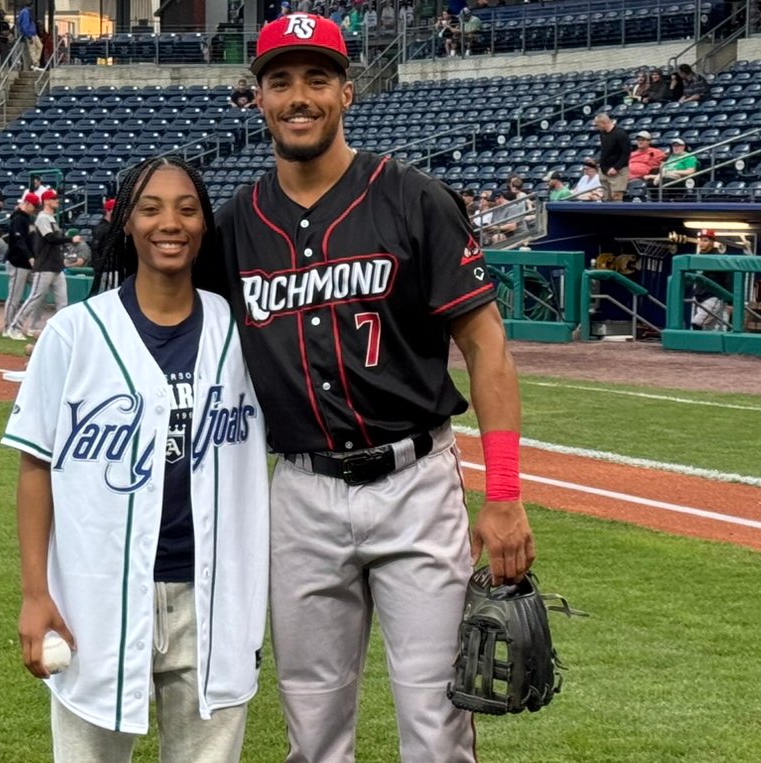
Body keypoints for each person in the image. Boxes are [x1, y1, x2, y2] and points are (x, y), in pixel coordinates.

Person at [191, 14, 535, 763]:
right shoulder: (234, 228)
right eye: (280, 81)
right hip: (301, 493)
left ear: (347, 91)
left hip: (414, 483)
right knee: (310, 727)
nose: (298, 96)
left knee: (436, 719)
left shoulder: (411, 198)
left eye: (316, 78)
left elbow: (485, 346)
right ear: (257, 99)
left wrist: (503, 494)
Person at [7, 155, 269, 763]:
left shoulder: (242, 332)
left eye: (186, 208)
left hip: (213, 596)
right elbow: (35, 468)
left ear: (205, 225)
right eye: (149, 208)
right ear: (126, 222)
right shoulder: (74, 332)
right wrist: (33, 592)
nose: (168, 222)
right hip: (95, 595)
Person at [6, 189, 81, 340]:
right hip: (45, 265)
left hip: (56, 265)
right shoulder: (42, 218)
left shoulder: (51, 218)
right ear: (46, 201)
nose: (57, 201)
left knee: (62, 301)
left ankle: (62, 332)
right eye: (54, 199)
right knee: (35, 297)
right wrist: (69, 240)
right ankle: (14, 327)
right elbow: (50, 238)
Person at [3, 193, 39, 334]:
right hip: (18, 262)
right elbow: (19, 241)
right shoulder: (18, 219)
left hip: (29, 264)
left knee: (38, 293)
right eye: (34, 206)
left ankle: (33, 326)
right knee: (14, 297)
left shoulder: (28, 219)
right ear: (27, 203)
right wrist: (30, 257)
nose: (35, 209)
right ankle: (7, 327)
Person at [690, 230, 731, 331]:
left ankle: (694, 345)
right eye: (700, 240)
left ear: (712, 242)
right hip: (699, 297)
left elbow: (728, 279)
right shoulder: (698, 257)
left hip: (713, 297)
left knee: (697, 323)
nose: (702, 243)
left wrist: (730, 302)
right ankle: (706, 346)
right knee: (708, 328)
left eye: (705, 240)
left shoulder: (717, 258)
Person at [594, 112, 630, 201]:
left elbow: (626, 153)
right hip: (604, 170)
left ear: (604, 123)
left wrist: (616, 168)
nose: (596, 128)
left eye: (598, 125)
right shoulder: (603, 134)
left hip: (618, 171)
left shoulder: (620, 134)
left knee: (616, 196)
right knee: (606, 198)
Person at [19, 0, 43, 71]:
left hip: (33, 33)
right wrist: (28, 35)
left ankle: (36, 62)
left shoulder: (25, 12)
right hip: (30, 33)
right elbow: (25, 25)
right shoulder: (25, 12)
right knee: (32, 49)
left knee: (39, 46)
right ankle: (35, 64)